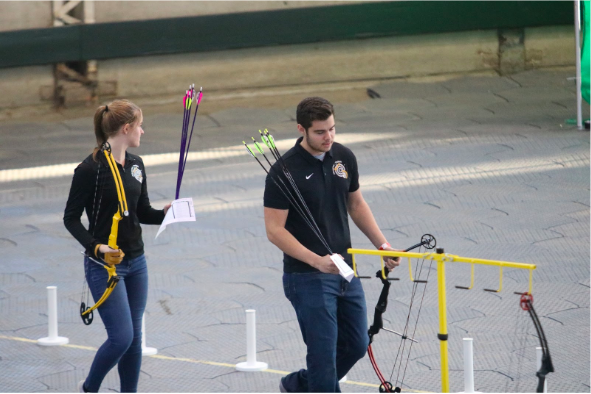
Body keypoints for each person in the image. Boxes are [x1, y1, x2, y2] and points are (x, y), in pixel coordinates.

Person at [264, 97, 401, 393]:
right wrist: (316, 260)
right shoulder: (283, 171)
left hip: (344, 271)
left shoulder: (343, 157)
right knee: (323, 356)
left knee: (356, 344)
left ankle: (299, 384)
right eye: (320, 132)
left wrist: (383, 245)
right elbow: (274, 231)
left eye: (332, 129)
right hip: (307, 276)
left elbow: (356, 204)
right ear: (302, 129)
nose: (329, 138)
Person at [63, 99, 171, 393]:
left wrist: (166, 214)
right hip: (105, 265)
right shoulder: (89, 170)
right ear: (126, 129)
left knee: (134, 337)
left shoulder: (136, 164)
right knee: (121, 337)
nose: (142, 132)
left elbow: (141, 211)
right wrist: (96, 248)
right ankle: (90, 388)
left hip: (137, 262)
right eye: (139, 126)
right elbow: (71, 219)